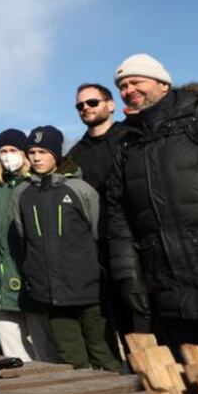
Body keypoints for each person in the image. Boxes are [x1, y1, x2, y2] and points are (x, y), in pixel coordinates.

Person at [106, 54, 198, 361]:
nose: (128, 90)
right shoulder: (125, 144)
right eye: (122, 86)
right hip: (169, 290)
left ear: (163, 84)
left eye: (136, 81)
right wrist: (129, 278)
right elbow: (118, 218)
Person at [13, 126, 120, 371]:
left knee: (103, 353)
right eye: (32, 152)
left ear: (56, 154)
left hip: (88, 290)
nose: (36, 157)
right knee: (71, 358)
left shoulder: (80, 189)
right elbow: (23, 236)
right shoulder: (21, 193)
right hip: (50, 293)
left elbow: (98, 234)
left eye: (43, 151)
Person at [66, 83, 143, 358]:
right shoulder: (74, 157)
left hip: (138, 241)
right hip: (98, 248)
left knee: (147, 319)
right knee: (117, 321)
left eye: (92, 102)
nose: (86, 108)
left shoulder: (132, 137)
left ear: (110, 105)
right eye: (80, 105)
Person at [0, 129, 57, 362]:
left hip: (30, 273)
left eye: (13, 150)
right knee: (10, 340)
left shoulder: (35, 184)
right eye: (2, 151)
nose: (7, 155)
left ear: (24, 154)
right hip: (1, 275)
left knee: (43, 339)